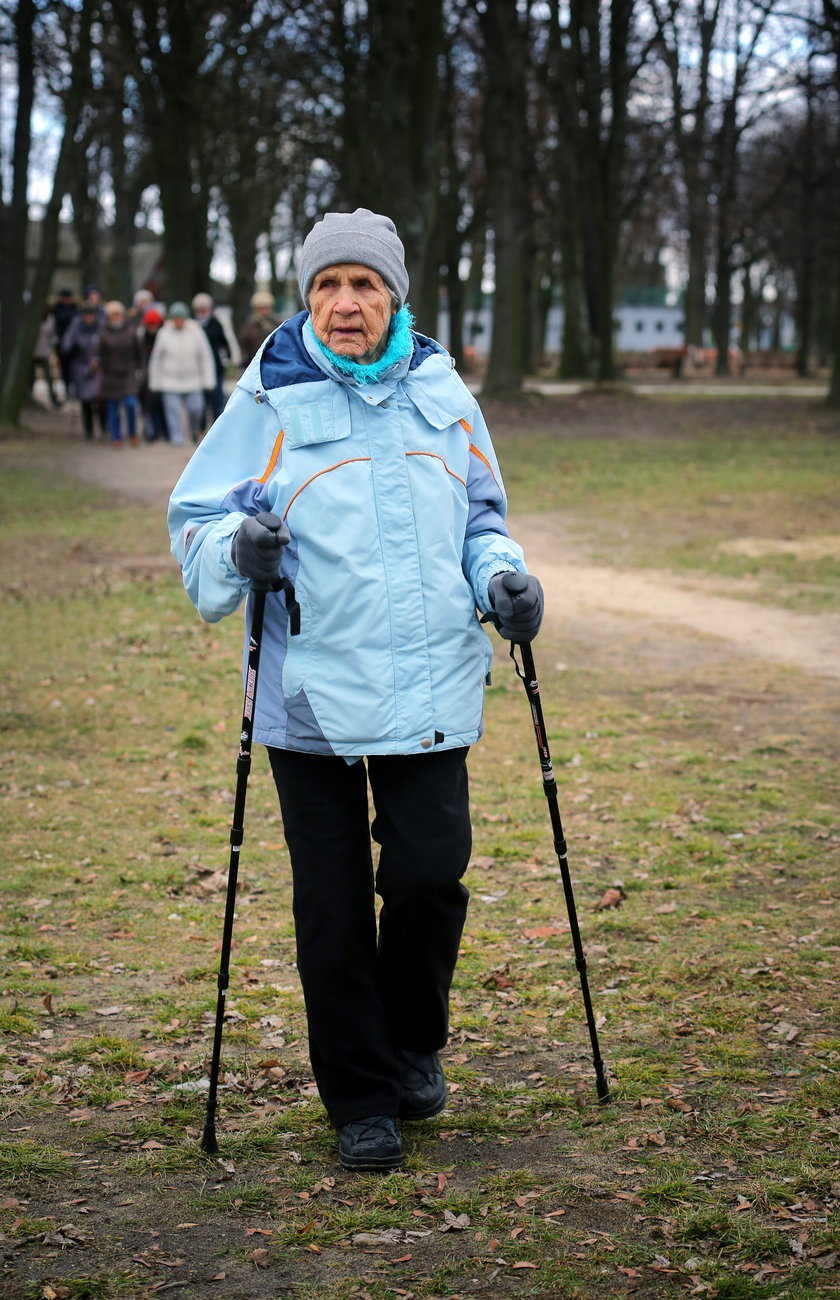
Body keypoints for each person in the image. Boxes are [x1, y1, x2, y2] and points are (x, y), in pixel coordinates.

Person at [168, 208, 544, 1172]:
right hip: (314, 699)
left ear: (394, 298)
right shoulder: (269, 395)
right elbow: (200, 514)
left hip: (428, 691)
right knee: (331, 908)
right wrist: (233, 547)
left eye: (364, 286)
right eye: (328, 286)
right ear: (307, 298)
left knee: (429, 875)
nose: (345, 304)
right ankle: (361, 1095)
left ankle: (414, 1043)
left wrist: (501, 576)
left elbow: (481, 515)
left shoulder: (441, 387)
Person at [148, 301, 216, 445]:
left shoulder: (196, 331)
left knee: (196, 408)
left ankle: (193, 430)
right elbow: (156, 359)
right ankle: (177, 438)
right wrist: (155, 382)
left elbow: (205, 356)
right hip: (169, 380)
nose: (178, 321)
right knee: (172, 411)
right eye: (175, 318)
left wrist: (208, 380)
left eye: (180, 318)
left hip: (193, 380)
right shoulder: (164, 333)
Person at [94, 300, 143, 446]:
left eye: (117, 314)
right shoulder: (103, 333)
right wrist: (95, 362)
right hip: (110, 375)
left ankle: (133, 434)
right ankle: (116, 436)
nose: (115, 317)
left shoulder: (131, 331)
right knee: (112, 408)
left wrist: (140, 369)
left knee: (130, 404)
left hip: (128, 373)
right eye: (112, 315)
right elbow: (97, 353)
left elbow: (139, 353)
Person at [60, 299, 103, 438]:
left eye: (91, 314)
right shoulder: (76, 327)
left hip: (98, 367)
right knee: (85, 400)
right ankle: (89, 430)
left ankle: (104, 426)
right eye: (86, 315)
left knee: (100, 399)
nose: (89, 317)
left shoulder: (101, 327)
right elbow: (66, 345)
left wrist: (99, 360)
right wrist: (70, 346)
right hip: (81, 367)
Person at [191, 292, 231, 423]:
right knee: (201, 401)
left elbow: (224, 343)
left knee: (217, 398)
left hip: (216, 367)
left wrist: (228, 357)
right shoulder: (192, 325)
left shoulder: (216, 324)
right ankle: (200, 426)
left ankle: (217, 423)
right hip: (197, 368)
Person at [138, 308, 168, 442]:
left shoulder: (164, 335)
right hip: (146, 376)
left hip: (163, 375)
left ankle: (164, 430)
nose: (152, 328)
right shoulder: (141, 336)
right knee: (148, 405)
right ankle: (151, 432)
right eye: (149, 325)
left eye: (154, 325)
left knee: (163, 404)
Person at [238, 290, 280, 368]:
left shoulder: (277, 324)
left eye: (265, 308)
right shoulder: (250, 325)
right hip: (255, 364)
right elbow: (244, 344)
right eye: (260, 308)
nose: (263, 311)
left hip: (274, 363)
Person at [31, 307, 61, 408]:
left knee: (49, 377)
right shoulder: (31, 320)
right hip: (32, 354)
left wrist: (50, 346)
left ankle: (53, 399)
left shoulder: (50, 320)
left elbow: (54, 337)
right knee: (30, 377)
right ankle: (29, 396)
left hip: (44, 352)